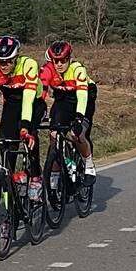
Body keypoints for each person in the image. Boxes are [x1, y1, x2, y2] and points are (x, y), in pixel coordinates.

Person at [0, 35, 45, 201]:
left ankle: (35, 177)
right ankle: (10, 198)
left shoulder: (28, 65)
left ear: (16, 58)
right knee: (7, 146)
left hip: (33, 102)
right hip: (11, 104)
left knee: (29, 136)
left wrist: (26, 126)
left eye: (8, 61)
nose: (4, 66)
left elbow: (28, 99)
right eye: (0, 62)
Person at [41, 40, 97, 183]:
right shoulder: (48, 69)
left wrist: (79, 118)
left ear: (69, 59)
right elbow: (42, 88)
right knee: (54, 136)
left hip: (84, 97)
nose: (59, 64)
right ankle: (56, 173)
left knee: (76, 133)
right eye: (56, 61)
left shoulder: (78, 69)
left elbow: (82, 96)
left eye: (63, 60)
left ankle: (89, 165)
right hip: (63, 97)